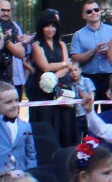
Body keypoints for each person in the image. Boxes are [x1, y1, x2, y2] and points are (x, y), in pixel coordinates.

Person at [27, 10, 81, 145]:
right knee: (46, 122)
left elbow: (68, 66)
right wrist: (63, 64)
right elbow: (45, 66)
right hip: (42, 90)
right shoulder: (37, 45)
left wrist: (55, 76)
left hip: (62, 88)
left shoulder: (61, 44)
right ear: (41, 27)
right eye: (47, 26)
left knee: (66, 123)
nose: (50, 29)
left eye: (53, 26)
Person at [71, 0, 112, 100]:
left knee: (110, 108)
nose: (93, 13)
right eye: (89, 11)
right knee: (88, 108)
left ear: (100, 11)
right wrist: (94, 50)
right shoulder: (78, 35)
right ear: (84, 15)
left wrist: (110, 52)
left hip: (110, 77)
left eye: (96, 10)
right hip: (88, 78)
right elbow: (75, 58)